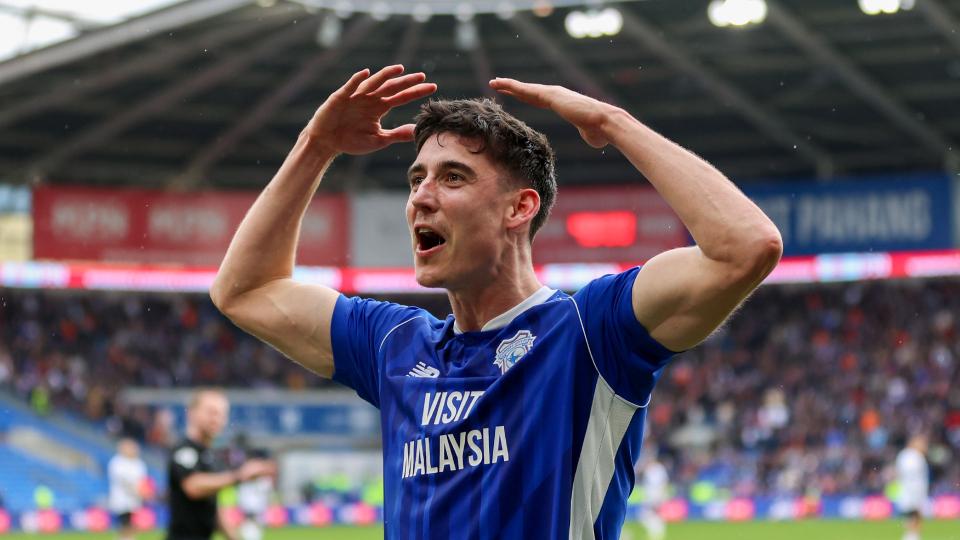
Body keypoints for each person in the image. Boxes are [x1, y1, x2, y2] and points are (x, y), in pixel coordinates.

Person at [210, 65, 782, 538]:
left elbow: (744, 248)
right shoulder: (394, 344)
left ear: (519, 208)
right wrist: (316, 146)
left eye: (452, 178)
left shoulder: (591, 332)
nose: (421, 198)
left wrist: (613, 122)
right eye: (416, 179)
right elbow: (244, 289)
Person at [166, 389, 274, 540]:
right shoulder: (184, 450)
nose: (217, 419)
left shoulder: (211, 456)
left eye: (222, 414)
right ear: (192, 413)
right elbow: (193, 486)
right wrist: (240, 475)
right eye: (211, 412)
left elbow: (213, 510)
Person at [108, 438, 148, 540]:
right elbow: (124, 482)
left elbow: (143, 481)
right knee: (125, 525)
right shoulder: (117, 463)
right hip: (122, 501)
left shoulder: (139, 463)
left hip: (136, 500)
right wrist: (137, 490)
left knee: (133, 526)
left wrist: (144, 492)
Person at [895, 434, 929, 540]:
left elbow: (899, 472)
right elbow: (915, 475)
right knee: (915, 513)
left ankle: (911, 535)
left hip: (907, 489)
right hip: (914, 489)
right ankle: (912, 536)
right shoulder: (915, 456)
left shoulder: (904, 455)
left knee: (912, 514)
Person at [639, 455, 669, 540]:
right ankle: (656, 533)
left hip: (656, 493)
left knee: (652, 514)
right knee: (648, 515)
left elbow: (664, 482)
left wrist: (661, 495)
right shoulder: (648, 469)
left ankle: (657, 533)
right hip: (649, 494)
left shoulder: (659, 468)